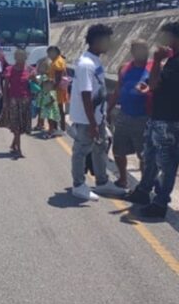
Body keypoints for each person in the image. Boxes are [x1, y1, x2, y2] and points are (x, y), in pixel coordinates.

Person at [124, 23, 179, 219]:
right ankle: (143, 190)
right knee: (151, 156)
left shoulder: (174, 62)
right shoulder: (172, 61)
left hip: (169, 121)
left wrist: (156, 62)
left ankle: (160, 203)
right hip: (160, 118)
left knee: (166, 163)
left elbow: (155, 84)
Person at [68, 24, 125, 201]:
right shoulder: (86, 64)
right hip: (87, 118)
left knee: (100, 148)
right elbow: (85, 95)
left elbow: (97, 90)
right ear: (97, 41)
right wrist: (92, 123)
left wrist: (102, 116)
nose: (110, 44)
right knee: (81, 150)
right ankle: (78, 185)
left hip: (96, 116)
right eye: (107, 40)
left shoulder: (95, 60)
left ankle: (102, 182)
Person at [108, 40, 152, 189]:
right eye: (136, 49)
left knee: (144, 154)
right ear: (132, 52)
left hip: (144, 118)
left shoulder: (154, 67)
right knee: (118, 151)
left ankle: (145, 185)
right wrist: (108, 109)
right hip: (124, 115)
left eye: (143, 49)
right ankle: (123, 179)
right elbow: (117, 90)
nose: (140, 52)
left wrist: (149, 89)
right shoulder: (124, 68)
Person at [0, 49, 34, 158]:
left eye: (22, 57)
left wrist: (34, 79)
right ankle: (19, 150)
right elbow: (5, 86)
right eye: (18, 57)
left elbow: (36, 84)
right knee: (16, 126)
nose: (20, 59)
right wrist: (4, 101)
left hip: (26, 101)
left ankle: (14, 145)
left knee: (23, 126)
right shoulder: (10, 70)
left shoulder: (30, 69)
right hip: (13, 100)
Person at [47, 46, 69, 134]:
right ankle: (60, 128)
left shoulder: (58, 62)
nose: (48, 55)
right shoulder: (58, 60)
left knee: (57, 109)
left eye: (49, 53)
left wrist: (52, 89)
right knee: (58, 109)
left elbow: (58, 78)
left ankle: (59, 129)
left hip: (56, 90)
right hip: (57, 89)